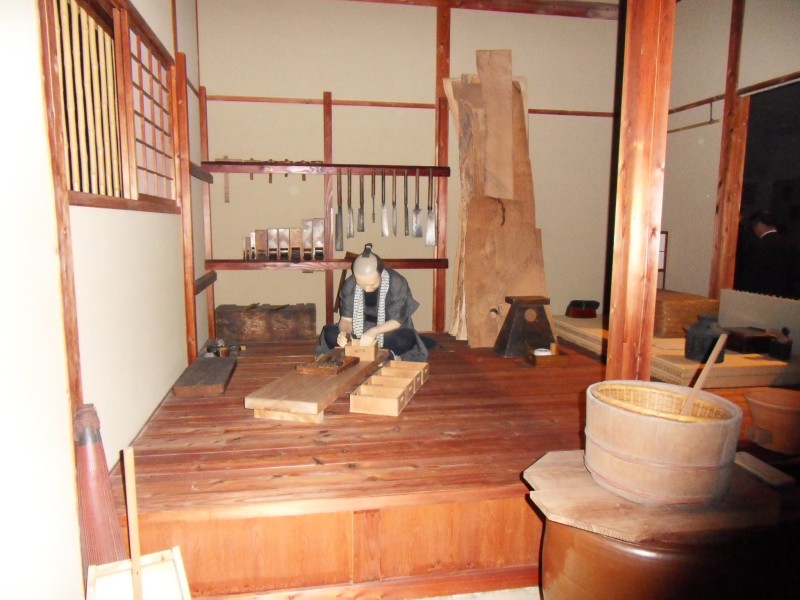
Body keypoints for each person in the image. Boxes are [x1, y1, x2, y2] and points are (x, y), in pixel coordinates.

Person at [316, 243, 429, 361]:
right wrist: (344, 334)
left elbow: (397, 321)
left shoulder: (396, 283)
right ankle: (379, 353)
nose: (366, 289)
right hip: (358, 330)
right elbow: (346, 320)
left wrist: (374, 331)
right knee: (329, 333)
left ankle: (382, 353)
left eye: (372, 284)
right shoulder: (350, 285)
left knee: (406, 338)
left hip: (387, 330)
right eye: (361, 284)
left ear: (381, 273)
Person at [734, 210, 799, 299]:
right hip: (785, 294)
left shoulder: (756, 246)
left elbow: (749, 273)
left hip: (760, 294)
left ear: (759, 225)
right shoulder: (791, 245)